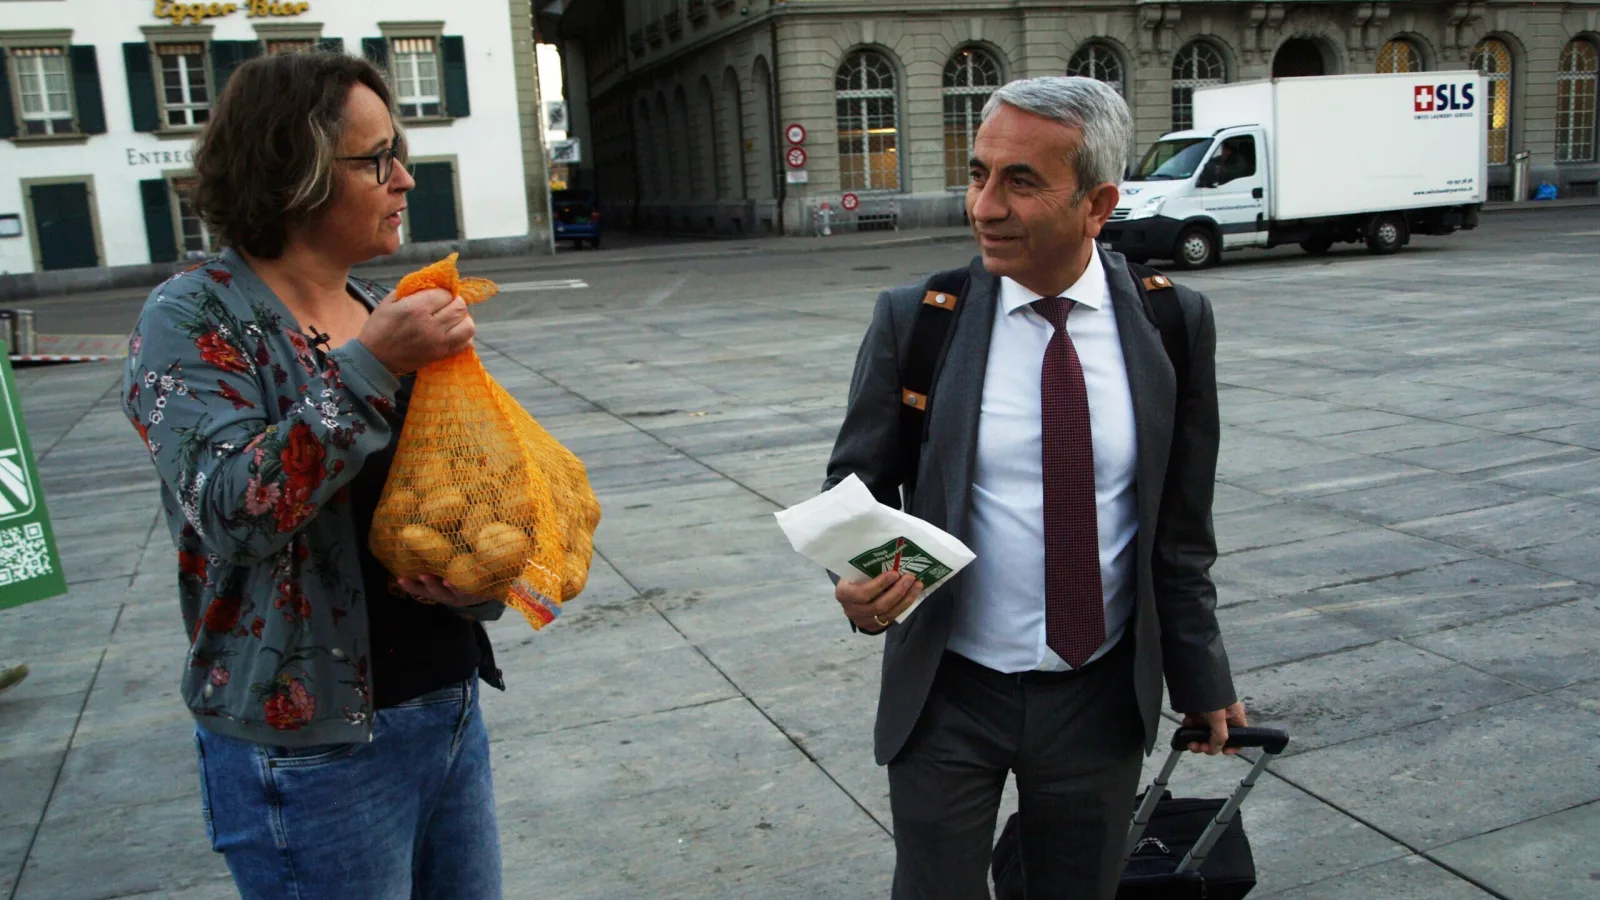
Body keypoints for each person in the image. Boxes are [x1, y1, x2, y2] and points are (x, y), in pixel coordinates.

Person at [823, 76, 1247, 899]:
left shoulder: (1172, 323)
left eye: (1021, 182)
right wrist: (858, 581)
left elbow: (1180, 529)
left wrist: (1202, 678)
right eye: (979, 173)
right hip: (948, 688)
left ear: (1096, 204)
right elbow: (853, 488)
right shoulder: (921, 319)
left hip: (1100, 697)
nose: (984, 205)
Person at [122, 52, 503, 899]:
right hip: (312, 752)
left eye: (398, 152)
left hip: (444, 709)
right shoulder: (193, 317)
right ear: (291, 172)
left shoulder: (377, 307)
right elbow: (234, 510)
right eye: (375, 160)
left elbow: (438, 503)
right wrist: (371, 369)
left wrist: (477, 569)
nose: (404, 177)